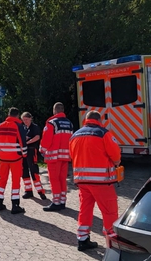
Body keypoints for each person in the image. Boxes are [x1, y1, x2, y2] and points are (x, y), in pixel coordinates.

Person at [69, 110, 121, 251]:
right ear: (99, 120)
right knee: (109, 211)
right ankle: (112, 243)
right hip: (102, 181)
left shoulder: (75, 135)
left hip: (82, 181)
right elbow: (115, 155)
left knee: (85, 209)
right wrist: (116, 163)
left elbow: (72, 156)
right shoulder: (103, 133)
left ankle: (82, 240)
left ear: (86, 120)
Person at [0, 107, 28, 214]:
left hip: (3, 158)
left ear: (8, 114)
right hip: (16, 158)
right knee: (15, 181)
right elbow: (22, 142)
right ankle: (15, 205)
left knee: (2, 179)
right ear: (17, 115)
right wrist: (24, 154)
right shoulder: (18, 126)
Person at [39, 102, 73, 211]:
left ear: (54, 111)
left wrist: (41, 150)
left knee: (54, 179)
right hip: (65, 156)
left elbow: (47, 140)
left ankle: (56, 202)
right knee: (62, 178)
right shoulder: (69, 123)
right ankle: (62, 201)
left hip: (54, 157)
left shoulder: (51, 123)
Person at [20, 112, 46, 200]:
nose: (25, 121)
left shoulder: (34, 127)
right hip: (23, 151)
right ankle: (28, 191)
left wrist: (27, 142)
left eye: (26, 119)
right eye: (23, 120)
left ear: (30, 118)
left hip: (31, 150)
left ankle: (40, 192)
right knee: (24, 171)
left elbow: (37, 137)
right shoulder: (23, 128)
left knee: (34, 171)